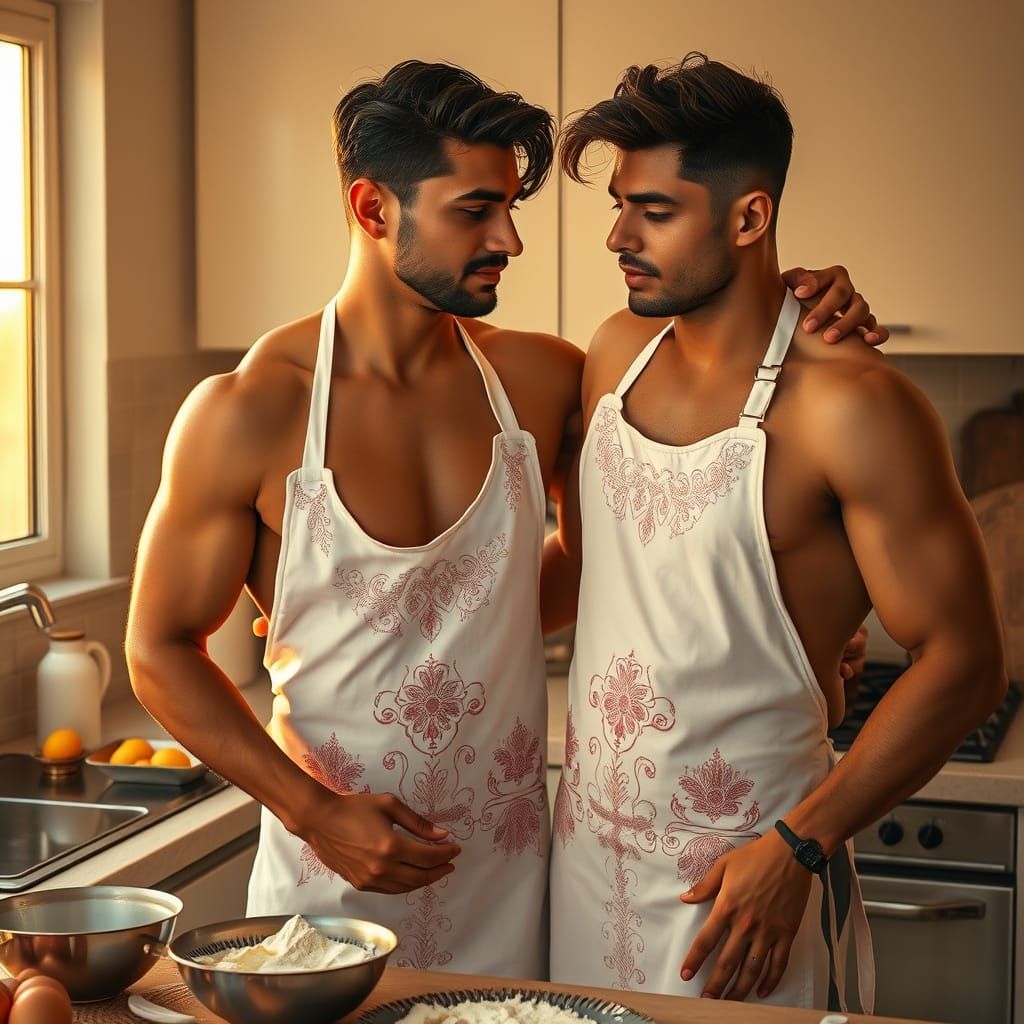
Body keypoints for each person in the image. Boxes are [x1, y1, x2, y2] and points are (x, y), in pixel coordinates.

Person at [126, 60, 883, 979]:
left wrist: (801, 300)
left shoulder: (544, 381)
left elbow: (632, 551)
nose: (510, 239)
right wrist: (310, 809)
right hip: (330, 887)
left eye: (510, 206)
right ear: (372, 210)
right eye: (474, 211)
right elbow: (158, 649)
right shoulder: (247, 411)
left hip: (523, 887)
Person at [548, 53, 1006, 1012]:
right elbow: (602, 581)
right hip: (586, 869)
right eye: (619, 206)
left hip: (749, 888)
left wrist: (800, 846)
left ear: (750, 218)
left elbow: (965, 662)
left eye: (656, 211)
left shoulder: (857, 406)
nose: (620, 236)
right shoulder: (613, 354)